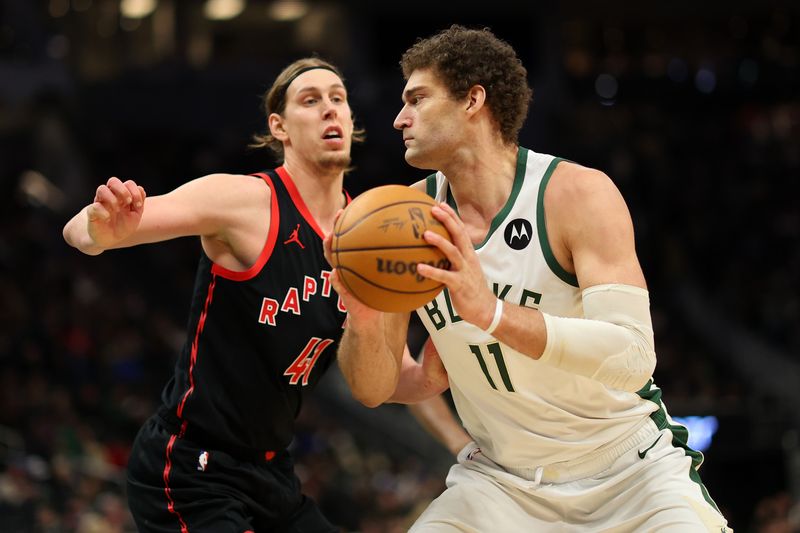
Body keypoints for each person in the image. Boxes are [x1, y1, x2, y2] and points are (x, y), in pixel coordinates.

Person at [326, 25, 733, 532]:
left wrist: (491, 313)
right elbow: (376, 388)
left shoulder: (575, 194)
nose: (398, 118)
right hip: (503, 485)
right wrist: (362, 318)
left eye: (417, 99)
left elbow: (632, 358)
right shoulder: (401, 220)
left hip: (629, 474)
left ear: (473, 99)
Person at [63, 57, 360, 533]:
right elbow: (79, 230)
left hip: (270, 472)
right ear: (278, 127)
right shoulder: (244, 202)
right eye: (311, 100)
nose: (329, 109)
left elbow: (390, 380)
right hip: (190, 468)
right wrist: (101, 228)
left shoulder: (365, 233)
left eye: (338, 98)